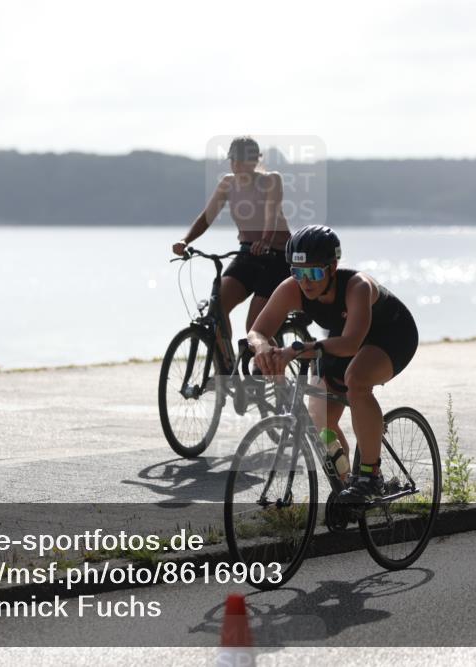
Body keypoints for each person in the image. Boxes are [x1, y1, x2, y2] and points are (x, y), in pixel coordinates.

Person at [247, 225, 419, 503]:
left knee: (357, 380)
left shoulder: (357, 286)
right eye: (297, 272)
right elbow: (256, 332)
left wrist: (298, 349)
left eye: (313, 272)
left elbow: (351, 344)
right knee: (319, 418)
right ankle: (347, 486)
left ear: (332, 267)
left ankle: (369, 476)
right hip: (342, 340)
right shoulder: (292, 288)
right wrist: (263, 348)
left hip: (392, 336)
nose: (305, 282)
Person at [172, 137, 292, 371]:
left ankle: (271, 369)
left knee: (255, 328)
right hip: (248, 253)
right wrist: (185, 240)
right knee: (217, 307)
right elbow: (206, 217)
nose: (237, 166)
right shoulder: (227, 184)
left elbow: (271, 213)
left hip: (276, 256)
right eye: (234, 161)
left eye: (243, 161)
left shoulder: (271, 180)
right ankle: (226, 368)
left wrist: (265, 240)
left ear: (256, 161)